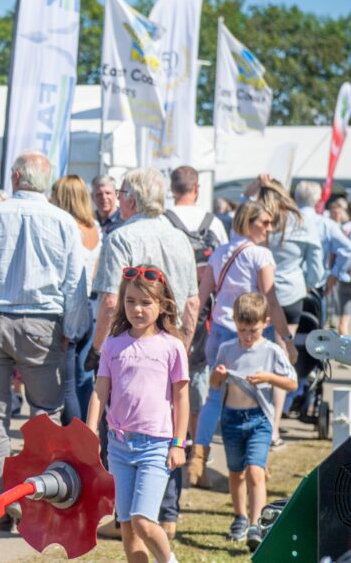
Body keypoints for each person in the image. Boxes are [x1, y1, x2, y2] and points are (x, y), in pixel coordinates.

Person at [0, 150, 88, 529]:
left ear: (15, 177)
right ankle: (39, 496)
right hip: (42, 323)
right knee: (44, 415)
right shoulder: (63, 222)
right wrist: (72, 332)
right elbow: (76, 285)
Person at [88, 168, 199, 540]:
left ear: (131, 199)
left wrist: (98, 347)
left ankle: (134, 517)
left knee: (135, 424)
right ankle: (164, 516)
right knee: (168, 429)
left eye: (120, 193)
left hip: (131, 345)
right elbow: (194, 301)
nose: (118, 200)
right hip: (173, 343)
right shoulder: (180, 237)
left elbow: (108, 299)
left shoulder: (121, 236)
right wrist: (182, 343)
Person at [86, 264, 189, 563]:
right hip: (119, 447)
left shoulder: (171, 347)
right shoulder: (113, 345)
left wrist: (179, 443)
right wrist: (90, 430)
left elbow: (181, 399)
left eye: (146, 303)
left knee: (144, 521)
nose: (137, 309)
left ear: (162, 305)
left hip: (155, 446)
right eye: (130, 301)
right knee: (128, 526)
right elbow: (99, 391)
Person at [189, 201, 296, 489]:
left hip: (219, 332)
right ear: (248, 222)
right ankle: (257, 458)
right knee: (258, 395)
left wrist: (187, 334)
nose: (269, 228)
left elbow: (201, 297)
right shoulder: (260, 255)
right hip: (250, 334)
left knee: (214, 397)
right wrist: (286, 339)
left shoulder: (220, 252)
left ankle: (199, 456)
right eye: (265, 222)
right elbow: (271, 301)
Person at [211, 292, 296, 552]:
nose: (247, 336)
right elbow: (215, 385)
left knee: (255, 472)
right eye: (242, 329)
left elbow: (291, 383)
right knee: (235, 472)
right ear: (235, 323)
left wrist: (269, 377)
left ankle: (256, 523)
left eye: (253, 330)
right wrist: (218, 375)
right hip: (232, 418)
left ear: (266, 323)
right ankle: (239, 517)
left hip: (259, 418)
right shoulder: (227, 349)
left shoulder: (271, 351)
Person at [249, 176, 323, 446]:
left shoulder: (255, 217)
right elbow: (315, 263)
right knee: (280, 360)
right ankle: (275, 427)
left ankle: (254, 420)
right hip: (290, 292)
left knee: (253, 356)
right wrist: (312, 282)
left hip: (257, 292)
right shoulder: (300, 221)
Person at [164, 166, 228, 459]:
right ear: (197, 188)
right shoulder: (212, 223)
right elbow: (223, 263)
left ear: (171, 187)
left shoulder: (163, 220)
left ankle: (172, 437)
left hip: (166, 308)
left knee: (167, 376)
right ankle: (196, 447)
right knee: (198, 375)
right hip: (203, 311)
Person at [50, 174, 101, 420]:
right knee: (83, 380)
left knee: (66, 385)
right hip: (91, 307)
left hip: (68, 305)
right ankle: (85, 438)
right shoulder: (95, 228)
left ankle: (73, 438)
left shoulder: (66, 228)